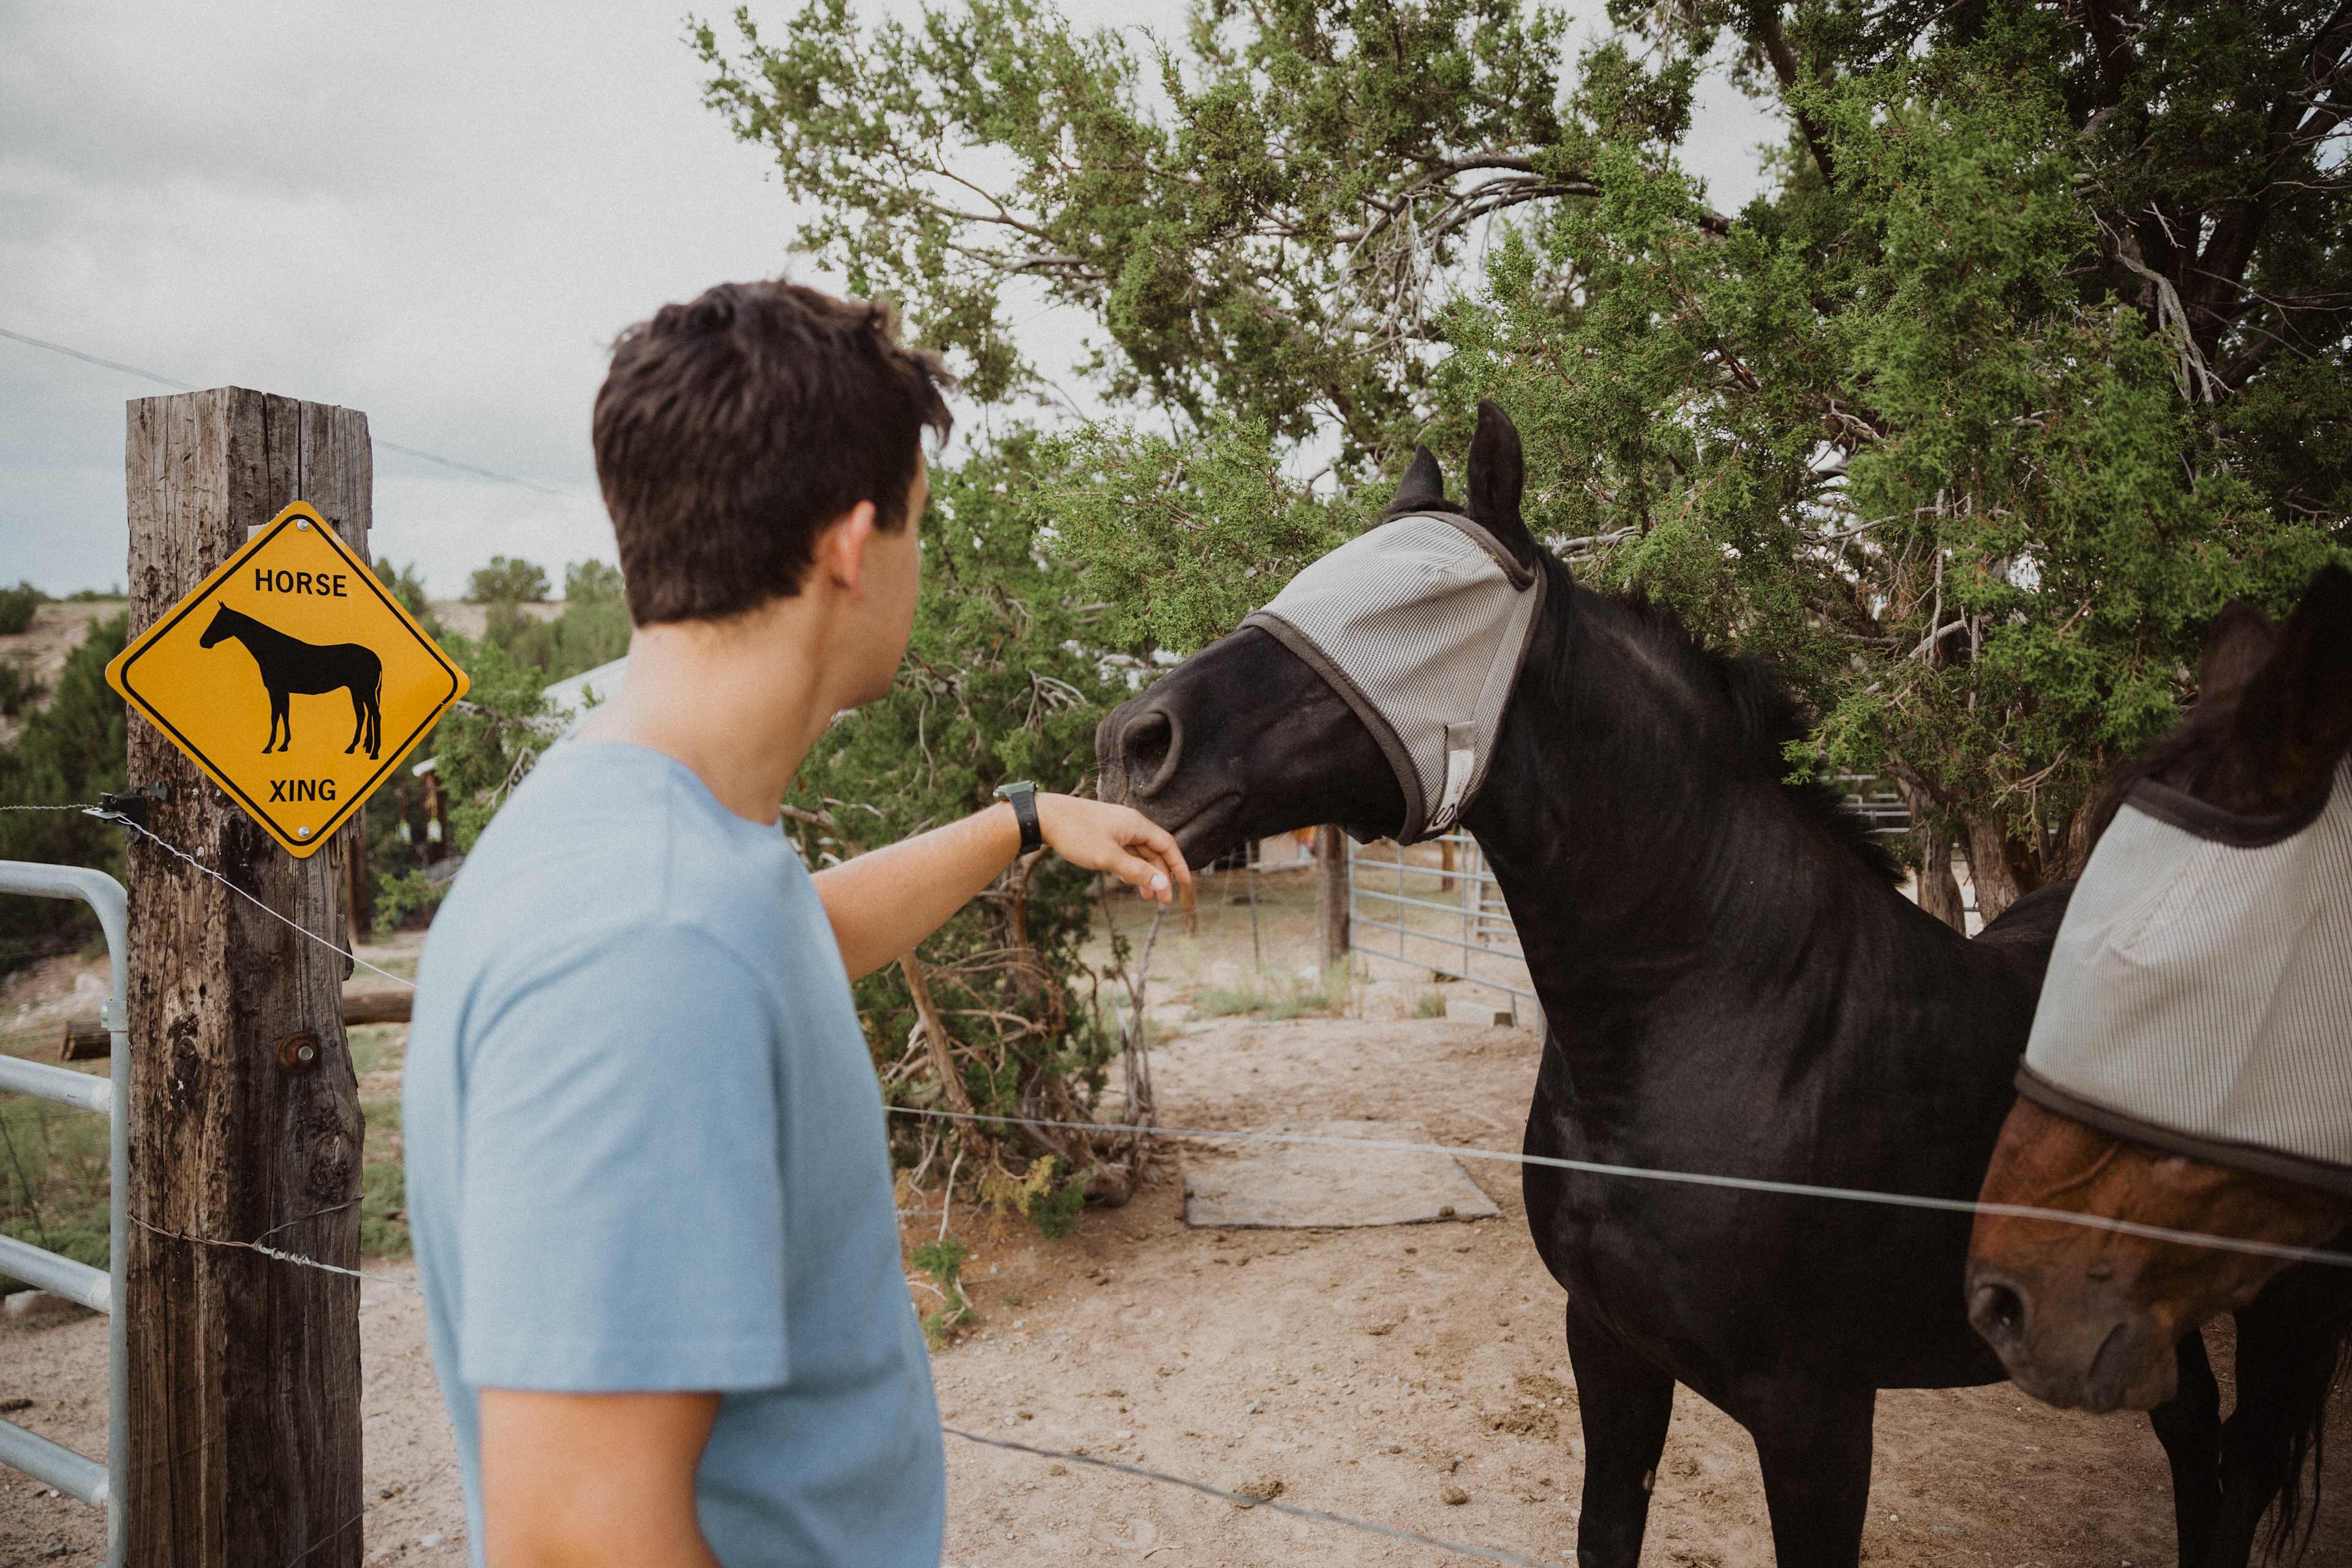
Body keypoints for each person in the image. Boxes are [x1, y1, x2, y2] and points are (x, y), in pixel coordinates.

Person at [402, 279, 1191, 1568]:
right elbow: (576, 1536)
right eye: (920, 529)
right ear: (852, 546)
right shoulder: (649, 939)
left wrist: (1023, 818)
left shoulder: (647, 847)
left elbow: (778, 948)